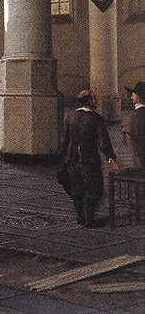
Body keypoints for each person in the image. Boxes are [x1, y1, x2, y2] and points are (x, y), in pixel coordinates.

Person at [60, 89, 121, 227]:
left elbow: (64, 140)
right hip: (90, 161)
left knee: (76, 189)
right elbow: (103, 142)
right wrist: (111, 158)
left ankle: (80, 217)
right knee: (94, 189)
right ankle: (89, 219)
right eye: (94, 98)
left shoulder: (70, 116)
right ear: (89, 101)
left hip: (72, 161)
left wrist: (64, 159)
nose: (97, 101)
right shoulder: (96, 119)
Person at [123, 80, 145, 170]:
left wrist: (128, 129)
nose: (131, 96)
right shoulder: (139, 112)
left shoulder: (139, 113)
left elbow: (137, 133)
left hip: (141, 153)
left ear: (139, 97)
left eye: (133, 94)